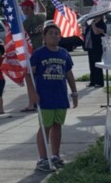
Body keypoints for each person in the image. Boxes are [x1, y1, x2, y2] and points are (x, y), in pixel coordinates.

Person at [25, 23, 79, 172]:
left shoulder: (64, 53)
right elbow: (28, 74)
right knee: (45, 127)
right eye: (50, 33)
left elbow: (69, 74)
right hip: (45, 97)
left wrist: (74, 92)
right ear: (44, 37)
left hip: (60, 96)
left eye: (56, 33)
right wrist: (32, 94)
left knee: (57, 126)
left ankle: (55, 156)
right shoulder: (39, 54)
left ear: (60, 37)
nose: (54, 36)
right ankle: (42, 159)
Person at [19, 0, 46, 112]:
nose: (22, 9)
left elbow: (21, 36)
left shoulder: (26, 22)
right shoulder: (41, 17)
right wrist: (38, 0)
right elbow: (44, 10)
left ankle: (32, 104)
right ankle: (40, 101)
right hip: (42, 50)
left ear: (29, 8)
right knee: (40, 78)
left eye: (24, 7)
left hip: (31, 52)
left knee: (29, 79)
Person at [84, 14, 107, 87]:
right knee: (91, 65)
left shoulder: (102, 24)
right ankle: (93, 81)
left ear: (101, 17)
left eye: (97, 16)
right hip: (90, 47)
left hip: (98, 47)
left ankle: (99, 82)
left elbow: (96, 32)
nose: (95, 18)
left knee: (97, 65)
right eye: (94, 17)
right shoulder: (90, 25)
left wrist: (93, 24)